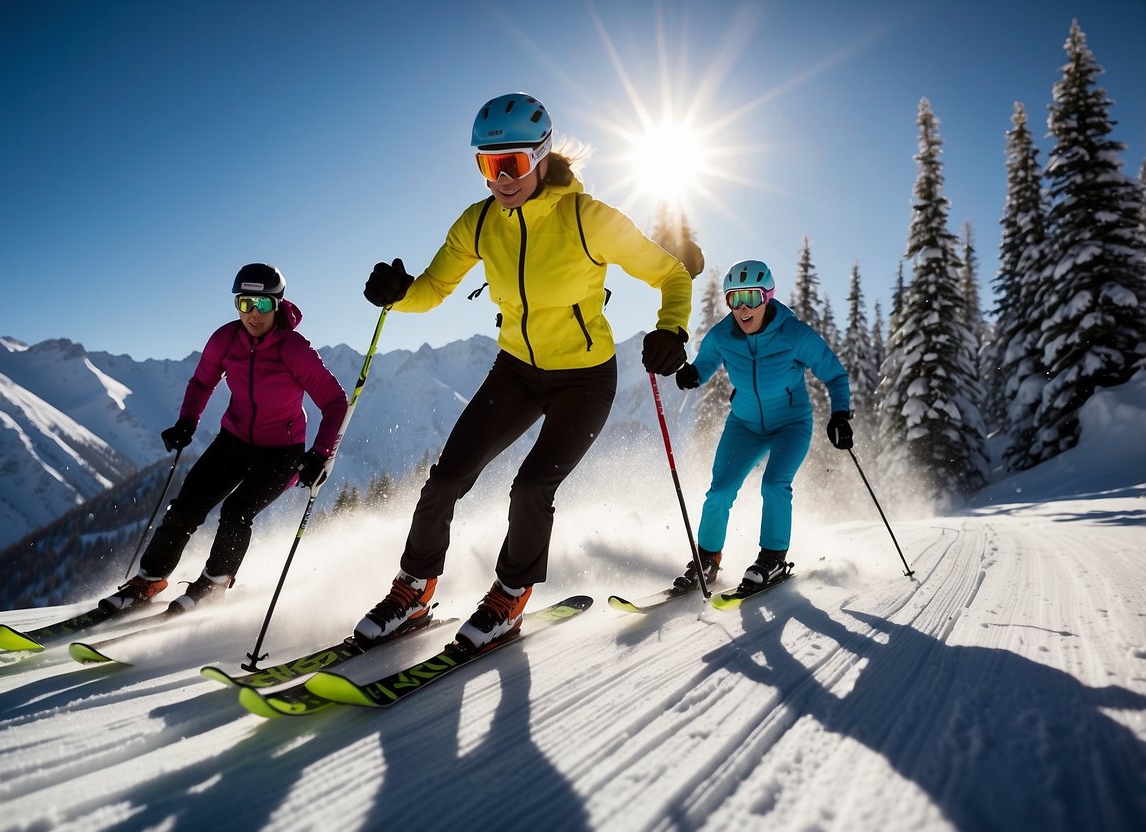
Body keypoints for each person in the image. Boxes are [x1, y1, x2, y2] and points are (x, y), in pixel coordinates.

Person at [355, 92, 693, 648]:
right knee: (445, 479)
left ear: (541, 155)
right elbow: (433, 289)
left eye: (510, 163)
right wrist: (399, 294)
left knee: (531, 486)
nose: (500, 178)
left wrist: (672, 329)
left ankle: (510, 597)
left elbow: (672, 274)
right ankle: (413, 590)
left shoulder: (589, 218)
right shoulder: (480, 221)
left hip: (584, 378)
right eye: (487, 165)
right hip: (516, 370)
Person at [99, 263, 349, 614]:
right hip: (233, 441)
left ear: (277, 304)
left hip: (282, 452)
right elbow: (202, 382)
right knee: (186, 506)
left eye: (262, 304)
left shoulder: (294, 349)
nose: (253, 314)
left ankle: (214, 583)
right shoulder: (225, 339)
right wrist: (186, 422)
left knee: (236, 512)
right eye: (244, 304)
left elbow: (335, 402)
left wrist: (320, 454)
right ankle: (149, 579)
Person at [673, 259, 851, 593]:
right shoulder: (723, 335)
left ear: (767, 297)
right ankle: (707, 560)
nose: (742, 308)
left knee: (774, 485)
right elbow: (704, 365)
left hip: (791, 424)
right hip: (744, 424)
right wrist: (690, 375)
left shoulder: (793, 333)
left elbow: (834, 373)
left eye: (751, 298)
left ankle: (772, 558)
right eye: (734, 299)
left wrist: (840, 414)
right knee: (720, 491)